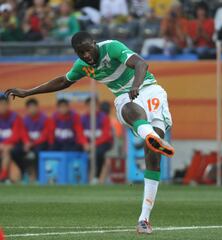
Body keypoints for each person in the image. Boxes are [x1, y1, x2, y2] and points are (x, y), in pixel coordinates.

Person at [4, 31, 174, 234]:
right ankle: (143, 219)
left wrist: (135, 85)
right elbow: (62, 81)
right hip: (124, 96)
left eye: (87, 49)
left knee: (153, 157)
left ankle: (151, 142)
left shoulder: (112, 47)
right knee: (128, 108)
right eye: (80, 53)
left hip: (149, 89)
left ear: (95, 43)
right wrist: (27, 92)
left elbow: (141, 64)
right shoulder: (82, 66)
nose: (85, 55)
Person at [81, 97, 113, 184]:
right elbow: (80, 133)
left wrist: (93, 144)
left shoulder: (104, 118)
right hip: (87, 144)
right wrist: (85, 144)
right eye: (89, 106)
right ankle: (80, 177)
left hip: (103, 143)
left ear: (98, 106)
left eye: (94, 106)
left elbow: (105, 136)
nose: (91, 108)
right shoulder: (82, 119)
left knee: (98, 153)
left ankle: (96, 177)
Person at [22, 98, 53, 181]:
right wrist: (26, 143)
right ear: (27, 109)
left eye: (33, 107)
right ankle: (25, 175)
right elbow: (23, 133)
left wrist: (32, 144)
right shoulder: (25, 120)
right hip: (29, 145)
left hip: (41, 144)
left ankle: (40, 176)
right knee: (16, 151)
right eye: (30, 107)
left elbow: (45, 135)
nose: (32, 109)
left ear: (37, 107)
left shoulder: (45, 118)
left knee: (38, 152)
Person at [0, 95, 26, 182]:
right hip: (2, 146)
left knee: (6, 150)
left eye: (4, 104)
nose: (2, 107)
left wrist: (4, 145)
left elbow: (16, 136)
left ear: (8, 105)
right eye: (0, 104)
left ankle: (3, 176)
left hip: (14, 145)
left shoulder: (15, 117)